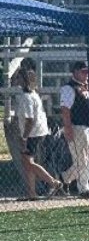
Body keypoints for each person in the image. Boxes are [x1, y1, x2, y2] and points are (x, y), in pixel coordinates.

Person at [10, 60, 63, 200]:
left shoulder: (27, 97)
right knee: (27, 162)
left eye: (19, 77)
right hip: (36, 131)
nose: (17, 80)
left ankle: (53, 182)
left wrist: (24, 137)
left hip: (33, 133)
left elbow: (30, 120)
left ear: (25, 80)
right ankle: (31, 193)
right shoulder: (32, 94)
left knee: (28, 162)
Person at [59, 60, 89, 197]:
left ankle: (64, 178)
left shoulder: (88, 87)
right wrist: (68, 128)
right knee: (82, 159)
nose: (86, 75)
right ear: (75, 72)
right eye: (83, 72)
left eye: (87, 72)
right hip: (77, 126)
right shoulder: (69, 88)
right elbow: (65, 109)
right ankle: (84, 188)